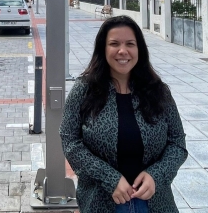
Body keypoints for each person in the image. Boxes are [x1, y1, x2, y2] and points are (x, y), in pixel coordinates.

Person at [60, 15, 187, 213]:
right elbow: (70, 141)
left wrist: (156, 175)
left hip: (155, 202)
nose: (123, 51)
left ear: (139, 50)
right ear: (103, 49)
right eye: (114, 44)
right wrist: (110, 178)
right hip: (101, 201)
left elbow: (178, 142)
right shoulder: (84, 90)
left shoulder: (158, 91)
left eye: (130, 44)